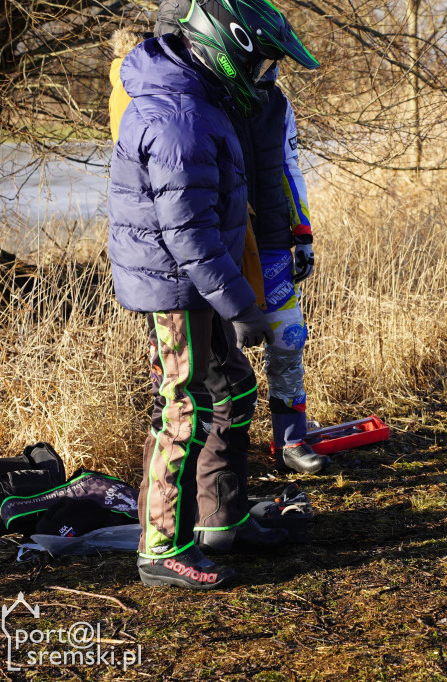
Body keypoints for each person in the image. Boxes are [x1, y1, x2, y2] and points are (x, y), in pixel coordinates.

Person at [108, 0, 319, 588]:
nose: (262, 81)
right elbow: (190, 233)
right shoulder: (181, 117)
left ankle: (218, 521)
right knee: (185, 406)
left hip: (196, 279)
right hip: (176, 285)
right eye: (259, 66)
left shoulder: (201, 98)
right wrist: (240, 307)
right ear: (229, 51)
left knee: (232, 388)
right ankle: (161, 549)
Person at [152, 0, 331, 478]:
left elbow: (291, 167)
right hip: (226, 242)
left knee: (289, 337)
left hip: (273, 237)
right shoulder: (208, 97)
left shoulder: (278, 104)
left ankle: (291, 439)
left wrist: (304, 231)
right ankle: (217, 459)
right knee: (215, 356)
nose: (268, 70)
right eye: (263, 59)